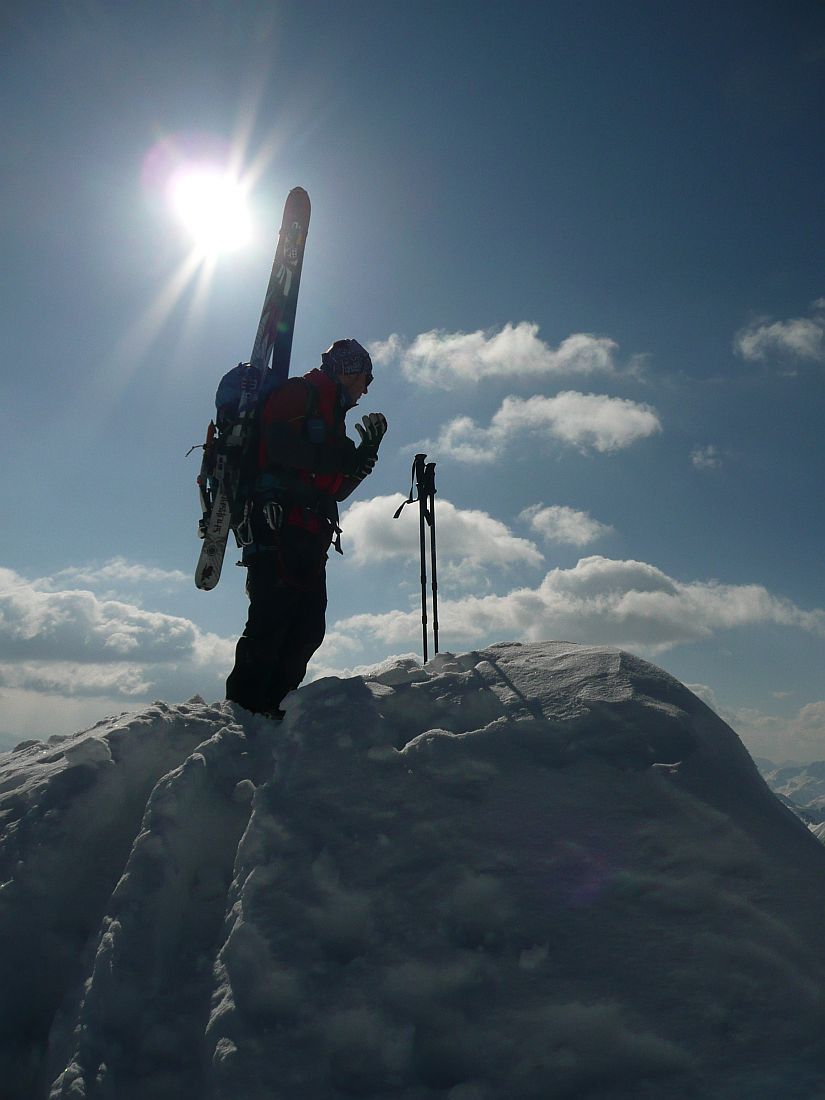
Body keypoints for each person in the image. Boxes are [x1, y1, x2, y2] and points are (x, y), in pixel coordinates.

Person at [225, 339, 387, 719]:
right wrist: (345, 458)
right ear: (348, 370)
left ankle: (276, 709)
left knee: (307, 628)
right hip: (276, 527)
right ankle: (243, 717)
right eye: (366, 376)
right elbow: (282, 449)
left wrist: (364, 457)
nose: (367, 387)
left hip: (310, 536)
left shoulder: (332, 417)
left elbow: (338, 488)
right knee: (270, 620)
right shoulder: (299, 393)